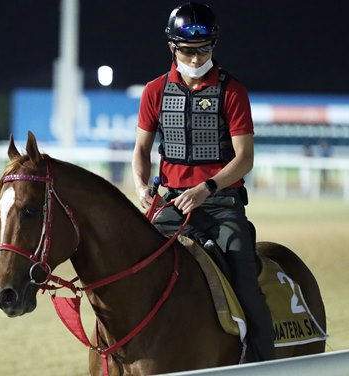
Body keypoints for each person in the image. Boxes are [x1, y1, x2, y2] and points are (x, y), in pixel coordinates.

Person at [131, 2, 275, 362]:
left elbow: (245, 158)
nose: (196, 60)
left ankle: (261, 359)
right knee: (134, 268)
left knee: (244, 278)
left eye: (205, 50)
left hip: (221, 205)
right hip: (170, 205)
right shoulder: (154, 91)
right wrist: (140, 186)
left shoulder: (232, 91)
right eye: (189, 52)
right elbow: (141, 150)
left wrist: (206, 188)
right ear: (171, 48)